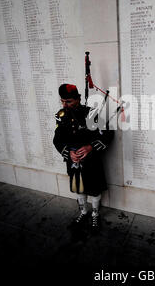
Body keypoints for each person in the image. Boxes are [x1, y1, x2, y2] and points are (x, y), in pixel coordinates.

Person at [53, 83, 113, 233]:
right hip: (74, 161)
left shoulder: (91, 114)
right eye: (62, 101)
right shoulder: (61, 116)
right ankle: (83, 212)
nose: (64, 104)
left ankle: (95, 213)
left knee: (94, 188)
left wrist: (90, 147)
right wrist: (68, 153)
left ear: (78, 99)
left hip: (91, 160)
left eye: (68, 101)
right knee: (78, 188)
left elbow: (108, 134)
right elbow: (57, 139)